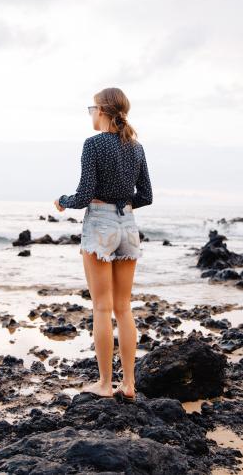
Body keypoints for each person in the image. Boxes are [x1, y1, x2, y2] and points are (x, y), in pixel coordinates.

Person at [54, 87, 153, 402]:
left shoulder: (93, 145)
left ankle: (105, 385)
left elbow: (83, 195)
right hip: (128, 225)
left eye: (92, 108)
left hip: (99, 225)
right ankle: (129, 385)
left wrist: (62, 201)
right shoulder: (136, 148)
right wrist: (121, 204)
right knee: (124, 308)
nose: (90, 113)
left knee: (101, 307)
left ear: (103, 111)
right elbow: (146, 196)